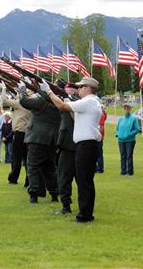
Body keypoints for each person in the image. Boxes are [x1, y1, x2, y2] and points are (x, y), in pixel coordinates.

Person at [43, 77, 102, 223]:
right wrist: (70, 105)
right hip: (86, 145)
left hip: (86, 145)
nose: (79, 89)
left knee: (84, 182)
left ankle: (84, 216)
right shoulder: (92, 102)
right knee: (85, 181)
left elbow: (62, 107)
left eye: (81, 87)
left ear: (88, 88)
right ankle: (86, 213)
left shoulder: (89, 101)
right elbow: (77, 118)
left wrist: (49, 92)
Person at [18, 81, 60, 204]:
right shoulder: (57, 102)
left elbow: (24, 101)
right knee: (50, 168)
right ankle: (54, 194)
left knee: (33, 167)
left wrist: (22, 89)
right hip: (51, 140)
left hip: (37, 138)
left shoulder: (43, 101)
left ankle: (34, 195)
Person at [0, 81, 31, 186]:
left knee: (16, 158)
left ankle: (13, 178)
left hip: (19, 133)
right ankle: (28, 181)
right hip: (28, 133)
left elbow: (4, 100)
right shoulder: (31, 102)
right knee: (27, 159)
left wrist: (4, 89)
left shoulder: (20, 103)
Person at [55, 82, 79, 215]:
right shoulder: (65, 100)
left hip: (75, 143)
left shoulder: (78, 102)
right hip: (65, 143)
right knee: (63, 177)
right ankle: (66, 204)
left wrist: (67, 100)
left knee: (76, 177)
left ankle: (81, 205)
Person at [115, 104, 140, 176]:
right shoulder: (121, 119)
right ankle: (123, 171)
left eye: (128, 108)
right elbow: (117, 128)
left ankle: (130, 172)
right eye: (125, 108)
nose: (126, 109)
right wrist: (118, 134)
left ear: (130, 109)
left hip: (130, 140)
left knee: (129, 156)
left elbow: (137, 129)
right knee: (122, 156)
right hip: (121, 140)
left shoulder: (133, 118)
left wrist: (129, 134)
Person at [96, 106, 107, 173]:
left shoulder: (101, 115)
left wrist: (99, 136)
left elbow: (101, 126)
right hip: (94, 137)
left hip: (98, 137)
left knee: (99, 153)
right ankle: (96, 167)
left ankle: (100, 168)